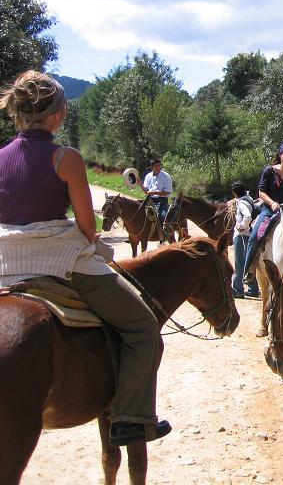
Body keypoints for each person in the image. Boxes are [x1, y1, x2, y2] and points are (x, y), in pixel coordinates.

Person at [0, 70, 171, 446]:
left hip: (4, 266)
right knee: (143, 326)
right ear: (58, 114)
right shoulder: (66, 158)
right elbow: (88, 229)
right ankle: (130, 417)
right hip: (60, 263)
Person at [243, 141, 283, 285]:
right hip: (270, 210)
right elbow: (261, 192)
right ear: (280, 155)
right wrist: (272, 203)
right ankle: (249, 269)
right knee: (256, 235)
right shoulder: (269, 171)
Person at [230, 180, 260, 299]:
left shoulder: (242, 203)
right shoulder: (249, 199)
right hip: (250, 234)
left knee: (239, 263)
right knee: (249, 262)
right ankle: (253, 289)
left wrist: (241, 226)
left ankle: (238, 290)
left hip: (241, 235)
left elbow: (247, 216)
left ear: (234, 193)